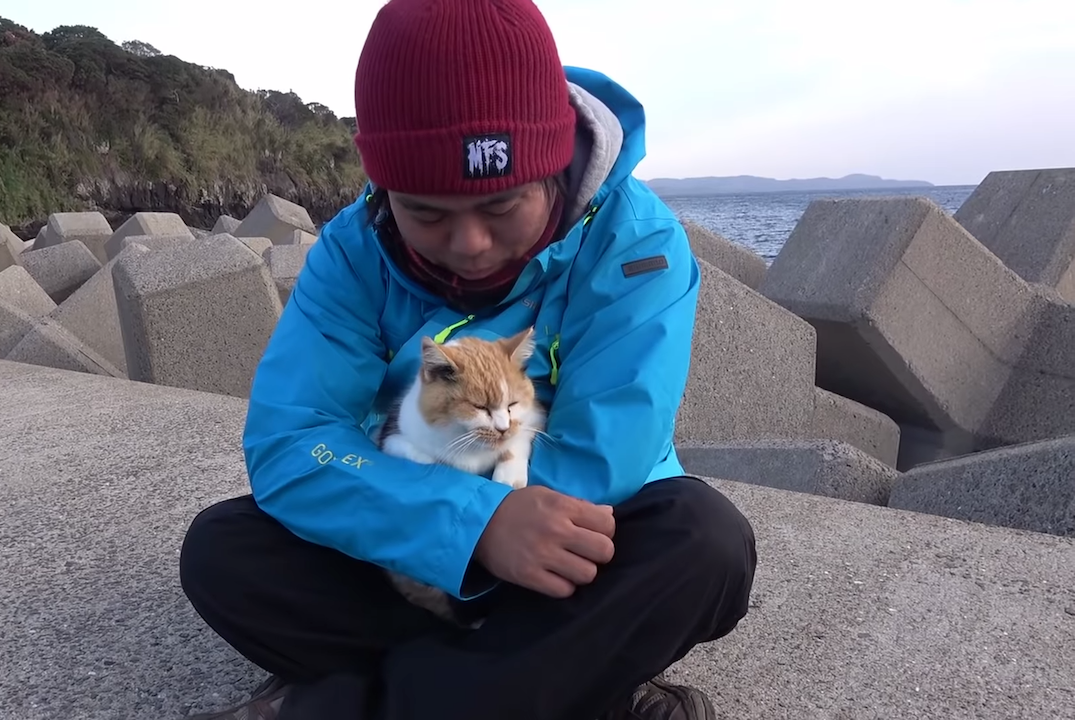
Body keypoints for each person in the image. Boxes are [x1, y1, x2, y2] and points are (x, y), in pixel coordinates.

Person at [178, 0, 757, 717]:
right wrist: (470, 526)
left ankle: (345, 701)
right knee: (223, 552)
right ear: (387, 190)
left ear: (551, 168)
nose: (470, 243)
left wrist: (502, 523)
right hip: (407, 527)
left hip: (572, 540)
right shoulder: (353, 249)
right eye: (427, 213)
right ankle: (564, 685)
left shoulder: (639, 246)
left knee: (705, 544)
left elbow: (607, 458)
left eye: (501, 205)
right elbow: (292, 440)